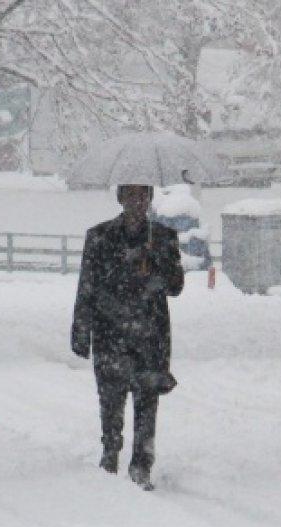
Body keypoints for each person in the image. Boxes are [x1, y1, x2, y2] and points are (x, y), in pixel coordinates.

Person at [71, 184, 185, 490]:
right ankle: (110, 452)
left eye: (143, 195)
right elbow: (87, 286)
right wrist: (81, 330)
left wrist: (156, 260)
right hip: (110, 330)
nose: (137, 202)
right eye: (130, 196)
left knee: (147, 400)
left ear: (149, 199)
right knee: (110, 397)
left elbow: (175, 286)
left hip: (150, 334)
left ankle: (141, 463)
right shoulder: (99, 237)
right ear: (120, 199)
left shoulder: (162, 237)